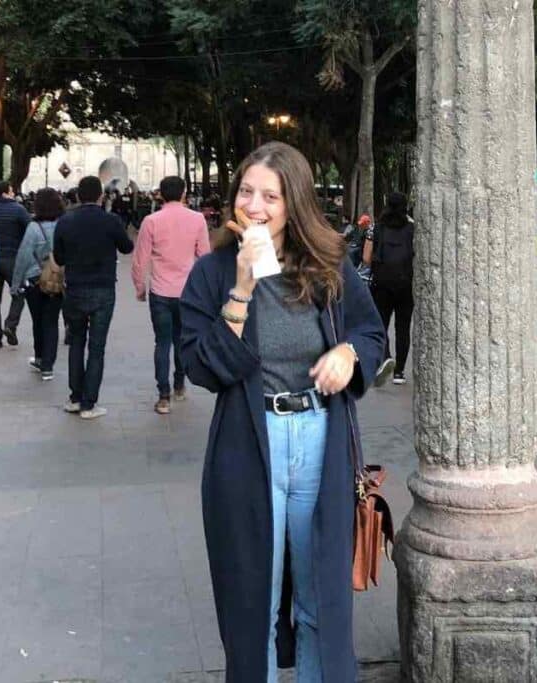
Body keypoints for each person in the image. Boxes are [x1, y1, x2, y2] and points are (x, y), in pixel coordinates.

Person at [179, 142, 384, 682]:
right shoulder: (213, 271)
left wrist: (348, 353)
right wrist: (242, 290)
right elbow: (202, 366)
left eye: (270, 195)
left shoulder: (329, 265)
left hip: (320, 437)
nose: (255, 205)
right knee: (254, 601)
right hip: (251, 445)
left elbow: (371, 334)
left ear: (294, 202)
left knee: (321, 596)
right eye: (247, 192)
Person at [53, 176, 134, 419]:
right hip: (103, 288)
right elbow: (127, 247)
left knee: (76, 342)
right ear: (101, 195)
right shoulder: (110, 220)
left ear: (77, 196)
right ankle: (90, 403)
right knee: (97, 347)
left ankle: (75, 397)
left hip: (75, 288)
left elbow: (59, 257)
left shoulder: (65, 221)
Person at [131, 175, 211, 415]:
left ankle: (163, 396)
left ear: (160, 195)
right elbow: (205, 257)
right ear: (184, 193)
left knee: (162, 342)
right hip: (187, 292)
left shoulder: (151, 221)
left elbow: (140, 259)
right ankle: (179, 384)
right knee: (181, 340)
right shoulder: (197, 219)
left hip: (160, 291)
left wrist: (140, 287)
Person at [11, 188, 66, 381]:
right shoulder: (63, 225)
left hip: (34, 281)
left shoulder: (33, 228)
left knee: (38, 321)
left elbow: (23, 257)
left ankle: (41, 357)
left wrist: (15, 284)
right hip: (56, 279)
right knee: (51, 321)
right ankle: (48, 366)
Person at [362, 193, 414, 386]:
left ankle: (385, 358)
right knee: (403, 327)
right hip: (405, 284)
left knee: (381, 324)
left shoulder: (376, 228)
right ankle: (399, 372)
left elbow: (366, 258)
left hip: (381, 284)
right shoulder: (412, 229)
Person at [0, 180, 31, 348]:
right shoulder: (18, 209)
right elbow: (30, 229)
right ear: (5, 193)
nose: (13, 194)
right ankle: (10, 324)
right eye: (11, 191)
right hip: (13, 259)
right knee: (19, 294)